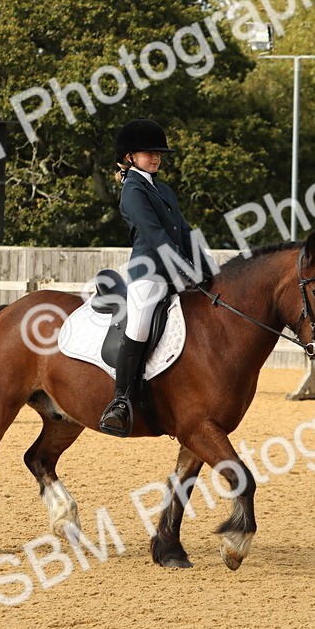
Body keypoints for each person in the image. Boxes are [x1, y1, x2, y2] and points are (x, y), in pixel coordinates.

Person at [99, 118, 213, 437]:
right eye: (149, 152)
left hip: (174, 273)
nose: (156, 157)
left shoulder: (163, 190)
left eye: (158, 153)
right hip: (148, 273)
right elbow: (155, 235)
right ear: (130, 157)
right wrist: (185, 268)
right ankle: (120, 401)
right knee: (139, 324)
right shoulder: (132, 190)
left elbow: (185, 232)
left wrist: (209, 268)